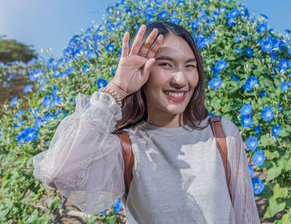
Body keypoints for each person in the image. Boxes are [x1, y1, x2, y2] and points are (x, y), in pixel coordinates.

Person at [33, 22, 260, 224]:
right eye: (166, 64)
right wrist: (117, 88)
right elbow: (58, 173)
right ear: (143, 70)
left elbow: (246, 215)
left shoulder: (222, 134)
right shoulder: (125, 146)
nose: (181, 80)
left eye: (190, 66)